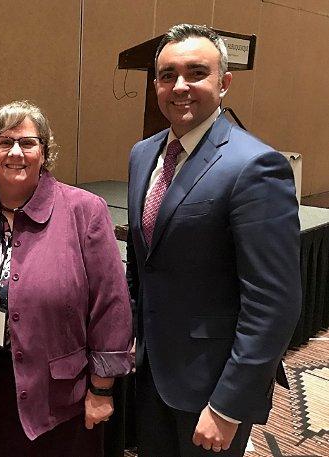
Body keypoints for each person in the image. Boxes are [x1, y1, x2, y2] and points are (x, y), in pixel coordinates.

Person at [125, 24, 301, 456]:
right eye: (167, 75)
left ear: (224, 84)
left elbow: (273, 302)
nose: (179, 86)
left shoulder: (256, 166)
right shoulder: (143, 154)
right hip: (148, 372)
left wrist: (228, 405)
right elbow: (143, 263)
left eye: (195, 73)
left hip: (211, 384)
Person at [0, 100, 133, 457]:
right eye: (4, 142)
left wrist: (101, 390)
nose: (16, 152)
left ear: (44, 151)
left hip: (60, 396)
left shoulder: (84, 210)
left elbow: (111, 304)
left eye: (28, 142)